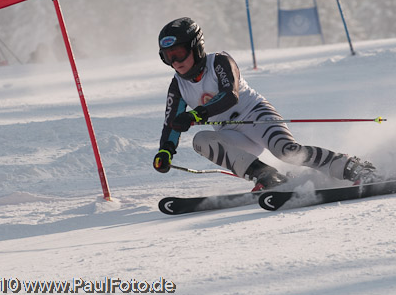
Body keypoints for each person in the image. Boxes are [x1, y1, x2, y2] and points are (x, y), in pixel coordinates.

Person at [153, 17, 379, 191]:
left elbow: (230, 95)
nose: (175, 62)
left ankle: (352, 167)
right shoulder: (178, 86)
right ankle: (268, 177)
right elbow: (171, 124)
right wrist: (166, 151)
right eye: (167, 57)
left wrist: (196, 115)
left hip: (257, 116)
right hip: (231, 133)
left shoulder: (219, 62)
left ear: (196, 47)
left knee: (287, 152)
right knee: (201, 140)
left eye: (179, 54)